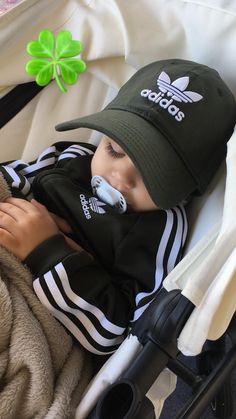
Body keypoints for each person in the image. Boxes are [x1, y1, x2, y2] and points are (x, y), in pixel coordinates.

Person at [0, 59, 235, 355]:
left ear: (185, 189)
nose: (120, 175)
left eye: (152, 173)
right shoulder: (73, 159)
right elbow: (11, 179)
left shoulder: (159, 230)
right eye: (115, 149)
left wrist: (47, 251)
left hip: (42, 317)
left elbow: (116, 333)